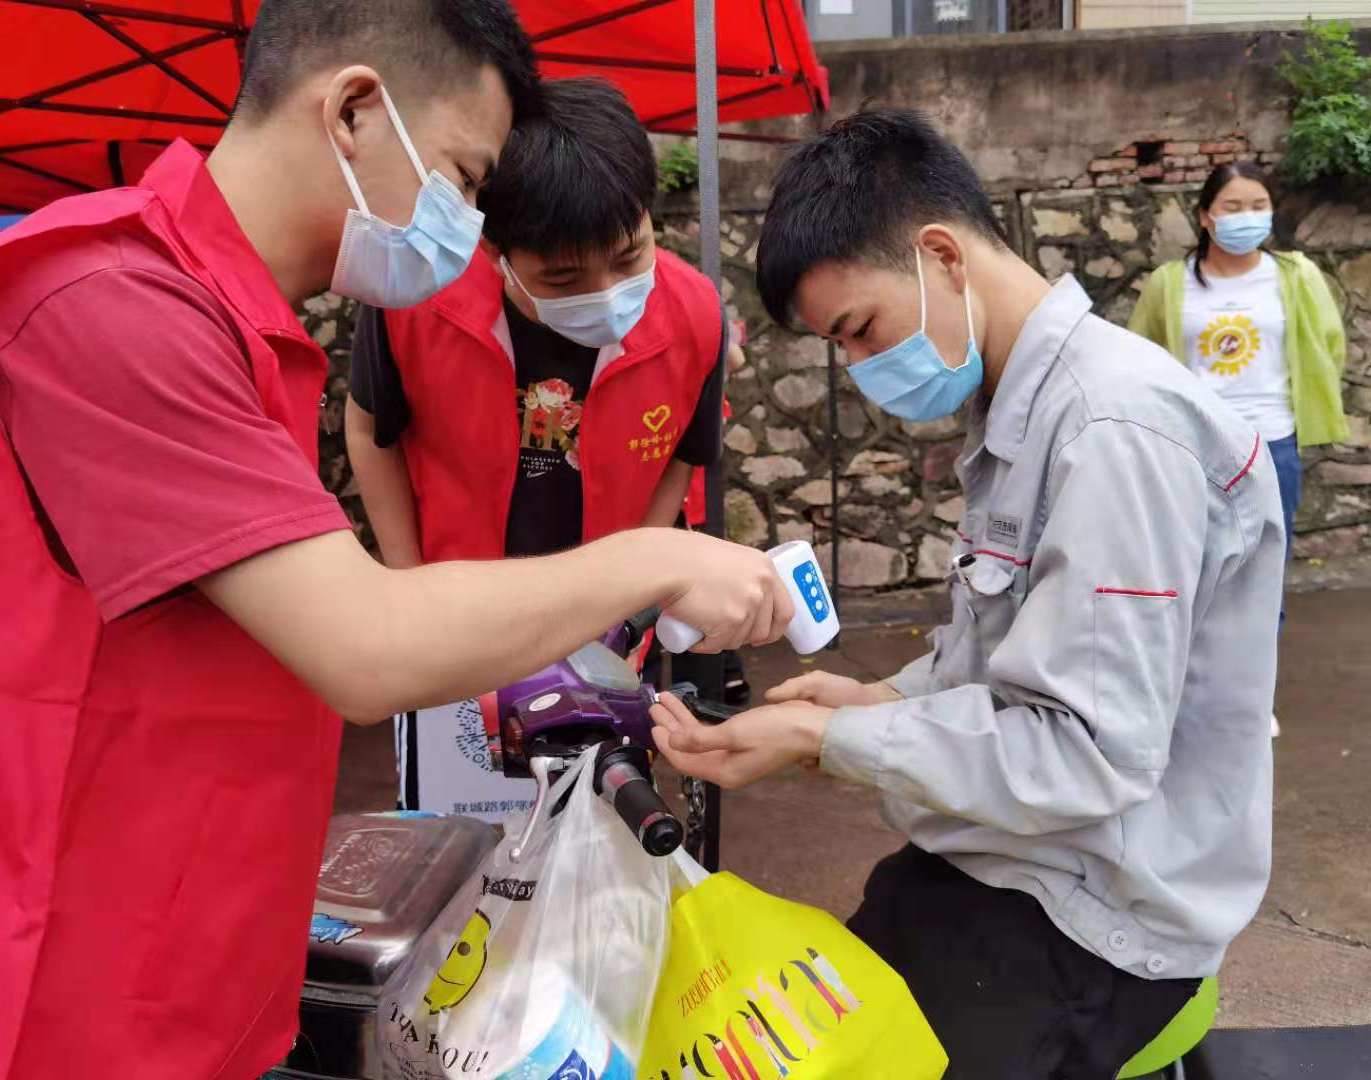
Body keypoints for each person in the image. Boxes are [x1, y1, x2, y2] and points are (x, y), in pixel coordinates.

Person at [0, 3, 790, 1077]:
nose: (467, 224)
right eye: (465, 179)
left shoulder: (233, 323)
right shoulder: (104, 301)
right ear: (352, 112)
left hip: (190, 955)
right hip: (70, 988)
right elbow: (367, 651)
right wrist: (660, 558)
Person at [651, 109, 1285, 1080]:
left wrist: (831, 736)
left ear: (941, 255)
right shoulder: (1023, 412)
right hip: (1012, 860)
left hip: (1104, 915)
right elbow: (1010, 655)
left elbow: (1086, 755)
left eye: (860, 331)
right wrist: (879, 698)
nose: (862, 371)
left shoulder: (1112, 431)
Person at [344, 77, 729, 806]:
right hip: (457, 623)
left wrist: (633, 606)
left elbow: (683, 455)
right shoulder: (415, 301)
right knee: (457, 835)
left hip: (603, 633)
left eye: (629, 255)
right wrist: (409, 588)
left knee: (599, 827)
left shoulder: (694, 314)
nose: (605, 290)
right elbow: (369, 429)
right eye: (562, 276)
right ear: (495, 249)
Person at [1129, 162, 1348, 584]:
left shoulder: (1296, 276)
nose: (1247, 217)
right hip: (1196, 444)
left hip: (1273, 442)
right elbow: (1142, 356)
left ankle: (1268, 631)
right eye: (1232, 207)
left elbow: (1329, 346)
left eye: (1258, 206)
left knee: (1265, 573)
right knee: (1196, 569)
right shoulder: (1168, 283)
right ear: (1205, 216)